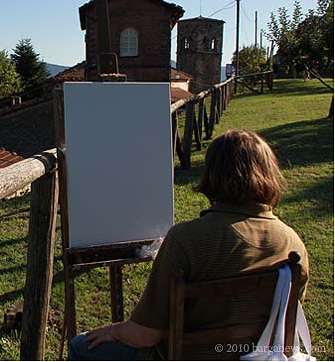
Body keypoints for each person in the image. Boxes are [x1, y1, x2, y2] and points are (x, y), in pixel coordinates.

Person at [68, 129, 309, 360]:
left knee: (80, 346)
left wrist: (114, 330)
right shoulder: (292, 243)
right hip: (261, 357)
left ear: (212, 174)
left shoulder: (186, 239)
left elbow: (145, 335)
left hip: (186, 356)